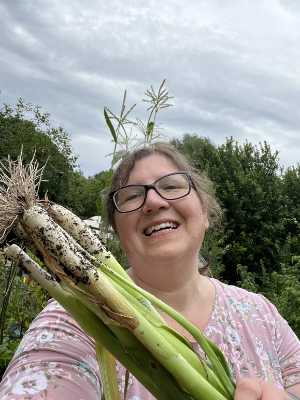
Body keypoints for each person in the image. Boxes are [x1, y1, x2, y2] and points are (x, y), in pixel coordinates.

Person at [0, 142, 299, 400]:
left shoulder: (261, 313)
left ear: (205, 212)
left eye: (171, 185)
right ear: (116, 229)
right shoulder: (73, 320)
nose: (154, 202)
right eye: (131, 196)